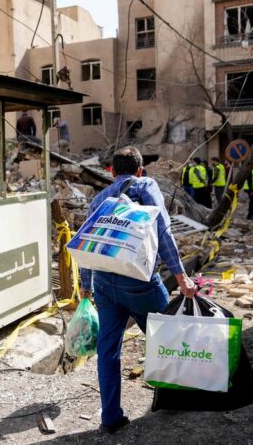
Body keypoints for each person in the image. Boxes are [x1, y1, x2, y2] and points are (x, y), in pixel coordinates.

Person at [79, 146, 196, 434]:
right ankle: (170, 399)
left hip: (105, 282)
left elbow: (87, 241)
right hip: (141, 282)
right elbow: (163, 233)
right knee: (166, 339)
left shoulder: (99, 199)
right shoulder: (146, 186)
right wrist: (182, 278)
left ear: (112, 172)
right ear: (141, 169)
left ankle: (110, 417)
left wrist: (85, 286)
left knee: (108, 351)